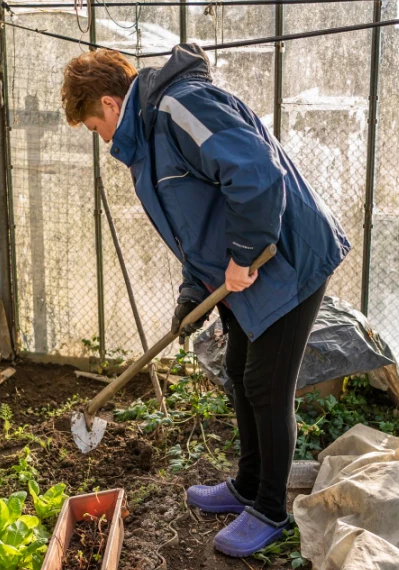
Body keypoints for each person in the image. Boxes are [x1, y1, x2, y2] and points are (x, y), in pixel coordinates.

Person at [62, 44, 349, 557]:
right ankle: (247, 484)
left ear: (108, 104)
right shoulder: (147, 142)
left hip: (286, 260)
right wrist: (193, 291)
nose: (100, 138)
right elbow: (194, 227)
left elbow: (258, 174)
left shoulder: (180, 107)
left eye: (92, 125)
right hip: (246, 275)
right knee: (239, 369)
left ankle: (269, 508)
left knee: (265, 382)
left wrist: (242, 253)